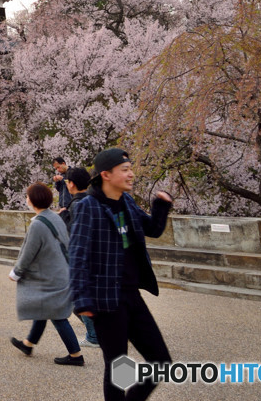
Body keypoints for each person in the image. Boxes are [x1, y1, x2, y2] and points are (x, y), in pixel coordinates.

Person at [69, 148, 173, 401]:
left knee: (161, 362)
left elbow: (152, 229)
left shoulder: (126, 201)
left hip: (131, 294)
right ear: (106, 174)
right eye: (125, 170)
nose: (131, 174)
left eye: (130, 169)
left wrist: (161, 205)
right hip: (105, 301)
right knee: (118, 369)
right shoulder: (88, 207)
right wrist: (81, 300)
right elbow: (77, 255)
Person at [8, 182, 83, 366]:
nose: (26, 199)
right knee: (43, 308)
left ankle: (76, 355)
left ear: (33, 200)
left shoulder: (37, 225)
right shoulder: (54, 217)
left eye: (27, 196)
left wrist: (16, 272)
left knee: (57, 316)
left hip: (51, 277)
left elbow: (28, 253)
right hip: (60, 271)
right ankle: (28, 344)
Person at [54, 166, 98, 349]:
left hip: (81, 259)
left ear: (71, 184)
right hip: (93, 258)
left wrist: (63, 216)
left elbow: (75, 232)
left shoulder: (79, 204)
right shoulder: (92, 200)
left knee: (76, 298)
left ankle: (94, 336)